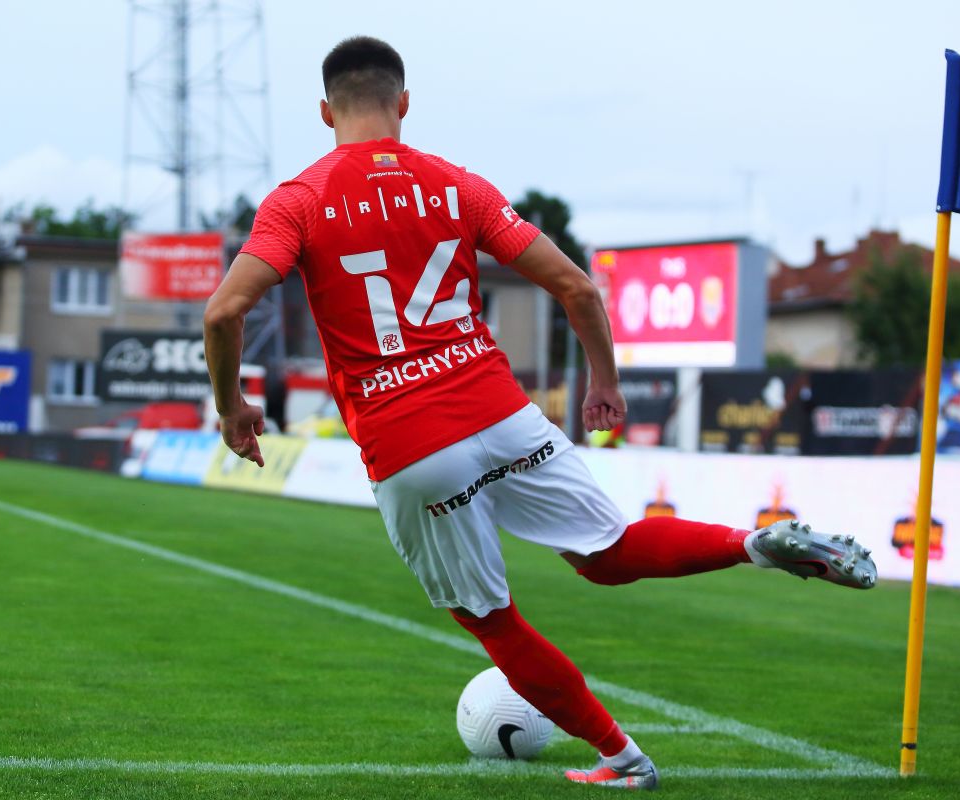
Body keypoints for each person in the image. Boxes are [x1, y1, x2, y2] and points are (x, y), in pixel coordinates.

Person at [203, 36, 877, 791]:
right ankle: (752, 544)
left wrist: (232, 408)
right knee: (609, 552)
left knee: (493, 620)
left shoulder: (300, 199)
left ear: (326, 112)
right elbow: (578, 287)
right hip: (501, 411)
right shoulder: (459, 186)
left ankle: (624, 759)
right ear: (404, 104)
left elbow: (224, 312)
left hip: (409, 440)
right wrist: (602, 383)